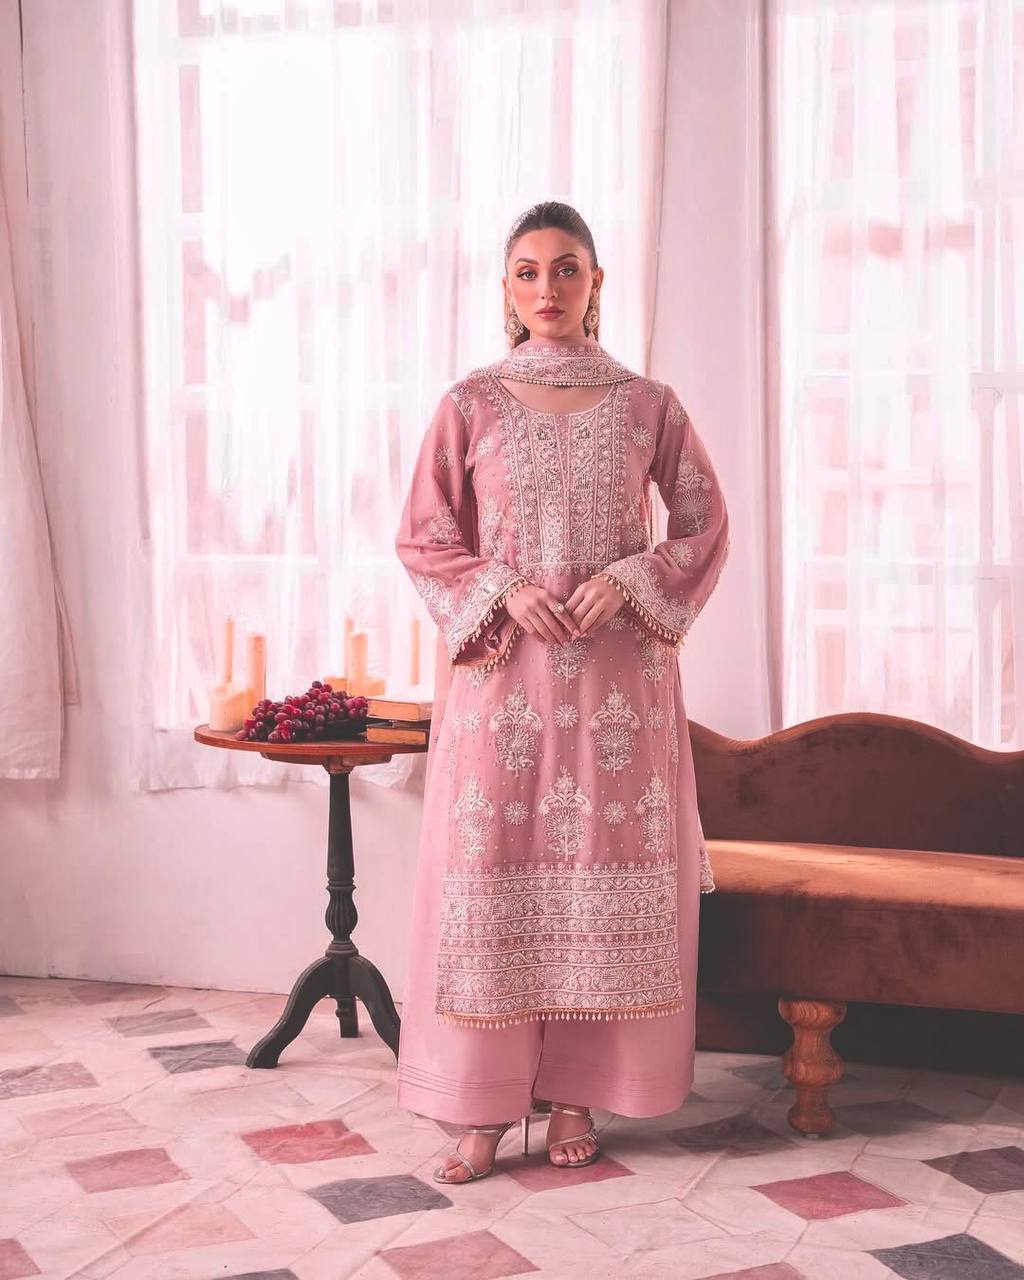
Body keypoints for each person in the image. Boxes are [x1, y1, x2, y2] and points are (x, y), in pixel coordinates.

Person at [393, 200, 730, 1184]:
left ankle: (576, 1093)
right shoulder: (468, 404)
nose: (548, 289)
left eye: (567, 269)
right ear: (506, 289)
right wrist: (500, 591)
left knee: (596, 872)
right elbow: (424, 536)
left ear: (595, 282)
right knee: (490, 877)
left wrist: (626, 581)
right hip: (502, 680)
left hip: (621, 680)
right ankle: (483, 1108)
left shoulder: (646, 403)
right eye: (528, 271)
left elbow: (703, 525)